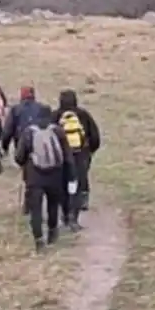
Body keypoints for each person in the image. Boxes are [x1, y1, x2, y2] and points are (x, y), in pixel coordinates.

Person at [14, 104, 78, 251]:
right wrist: (71, 174)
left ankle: (38, 240)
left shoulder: (29, 132)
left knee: (35, 209)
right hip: (55, 175)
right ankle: (52, 233)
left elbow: (19, 157)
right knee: (52, 205)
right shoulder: (58, 131)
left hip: (34, 177)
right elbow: (67, 156)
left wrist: (25, 164)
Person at [56, 88, 103, 227]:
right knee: (76, 186)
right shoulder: (84, 115)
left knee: (63, 187)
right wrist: (90, 151)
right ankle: (73, 218)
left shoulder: (55, 116)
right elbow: (95, 136)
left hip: (61, 158)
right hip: (81, 156)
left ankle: (64, 215)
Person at [1, 86, 43, 156]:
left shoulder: (15, 109)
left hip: (21, 143)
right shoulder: (42, 107)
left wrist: (5, 147)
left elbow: (7, 131)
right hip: (39, 142)